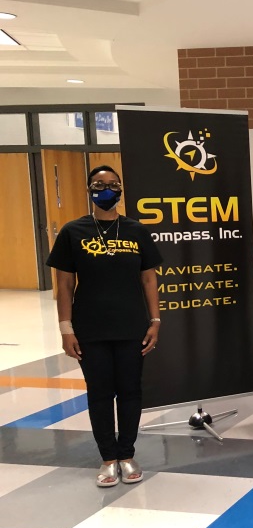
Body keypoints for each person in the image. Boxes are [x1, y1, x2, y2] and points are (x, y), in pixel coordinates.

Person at [47, 165, 162, 487]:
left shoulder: (136, 231)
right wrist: (66, 329)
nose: (106, 189)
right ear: (89, 190)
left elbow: (149, 279)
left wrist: (155, 320)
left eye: (113, 184)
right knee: (99, 393)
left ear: (121, 189)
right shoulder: (73, 232)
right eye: (99, 184)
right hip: (90, 327)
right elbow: (65, 285)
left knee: (130, 390)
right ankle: (108, 458)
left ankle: (127, 454)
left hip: (131, 326)